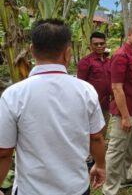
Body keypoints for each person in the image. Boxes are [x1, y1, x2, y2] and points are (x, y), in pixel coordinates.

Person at [0, 19, 106, 195]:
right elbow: (96, 138)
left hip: (31, 190)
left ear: (32, 52)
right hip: (76, 188)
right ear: (68, 53)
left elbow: (4, 152)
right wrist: (100, 165)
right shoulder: (86, 91)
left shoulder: (14, 94)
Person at [102, 24, 132, 195]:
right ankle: (110, 190)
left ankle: (126, 178)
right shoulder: (121, 56)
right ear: (129, 35)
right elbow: (116, 88)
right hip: (124, 113)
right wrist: (125, 116)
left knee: (130, 148)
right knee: (116, 151)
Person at [77, 32, 111, 137]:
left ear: (105, 44)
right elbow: (81, 84)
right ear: (91, 45)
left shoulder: (108, 61)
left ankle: (99, 151)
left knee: (103, 130)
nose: (99, 46)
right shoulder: (85, 62)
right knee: (91, 132)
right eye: (96, 44)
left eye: (102, 43)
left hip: (106, 103)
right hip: (92, 104)